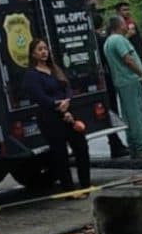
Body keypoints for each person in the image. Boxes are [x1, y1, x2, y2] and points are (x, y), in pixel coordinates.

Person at [22, 38, 91, 190]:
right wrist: (57, 105)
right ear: (33, 54)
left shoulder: (55, 69)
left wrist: (67, 101)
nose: (44, 52)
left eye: (45, 48)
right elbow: (40, 97)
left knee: (81, 147)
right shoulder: (32, 75)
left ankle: (86, 185)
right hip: (50, 118)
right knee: (60, 154)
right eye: (40, 49)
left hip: (68, 115)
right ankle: (69, 189)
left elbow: (67, 87)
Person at [103, 16, 142, 158]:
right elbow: (128, 59)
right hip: (130, 80)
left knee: (129, 116)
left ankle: (134, 146)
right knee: (137, 115)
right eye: (125, 24)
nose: (127, 26)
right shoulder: (119, 40)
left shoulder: (108, 42)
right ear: (119, 25)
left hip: (121, 82)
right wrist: (141, 74)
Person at [92, 12, 130, 159]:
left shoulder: (92, 40)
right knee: (111, 111)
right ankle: (115, 144)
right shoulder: (103, 40)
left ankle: (115, 143)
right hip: (106, 80)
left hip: (95, 80)